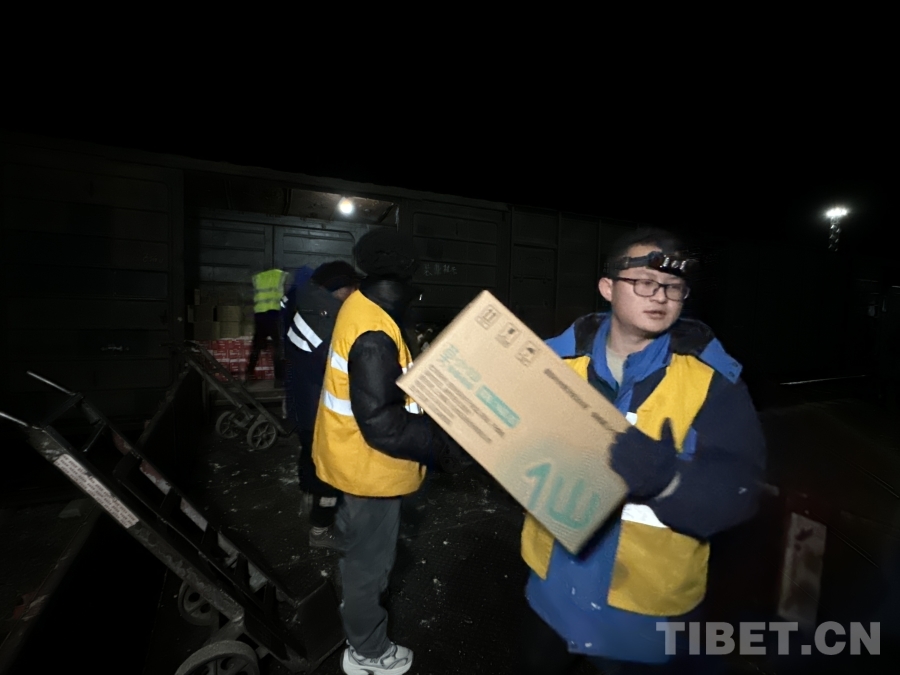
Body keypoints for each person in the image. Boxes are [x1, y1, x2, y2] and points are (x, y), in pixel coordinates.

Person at [518, 227, 766, 674]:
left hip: (643, 618)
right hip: (551, 596)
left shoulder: (714, 383)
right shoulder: (554, 363)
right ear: (608, 288)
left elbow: (741, 493)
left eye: (673, 287)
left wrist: (668, 481)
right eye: (645, 283)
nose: (661, 297)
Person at [312, 228, 470, 675]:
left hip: (348, 458)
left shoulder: (360, 305)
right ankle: (367, 652)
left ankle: (356, 614)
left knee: (358, 554)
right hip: (370, 470)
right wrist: (443, 447)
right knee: (370, 566)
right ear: (409, 271)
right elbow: (382, 424)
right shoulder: (374, 333)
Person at [284, 261, 361, 549]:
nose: (355, 293)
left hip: (301, 403)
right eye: (352, 287)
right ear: (339, 288)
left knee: (310, 456)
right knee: (331, 471)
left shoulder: (306, 306)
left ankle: (308, 498)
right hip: (320, 409)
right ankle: (321, 530)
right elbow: (342, 370)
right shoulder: (330, 322)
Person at [247, 267, 287, 382]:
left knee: (257, 346)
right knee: (278, 346)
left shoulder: (258, 278)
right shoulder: (280, 276)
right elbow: (286, 297)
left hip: (260, 315)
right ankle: (279, 379)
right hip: (274, 315)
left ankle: (249, 374)